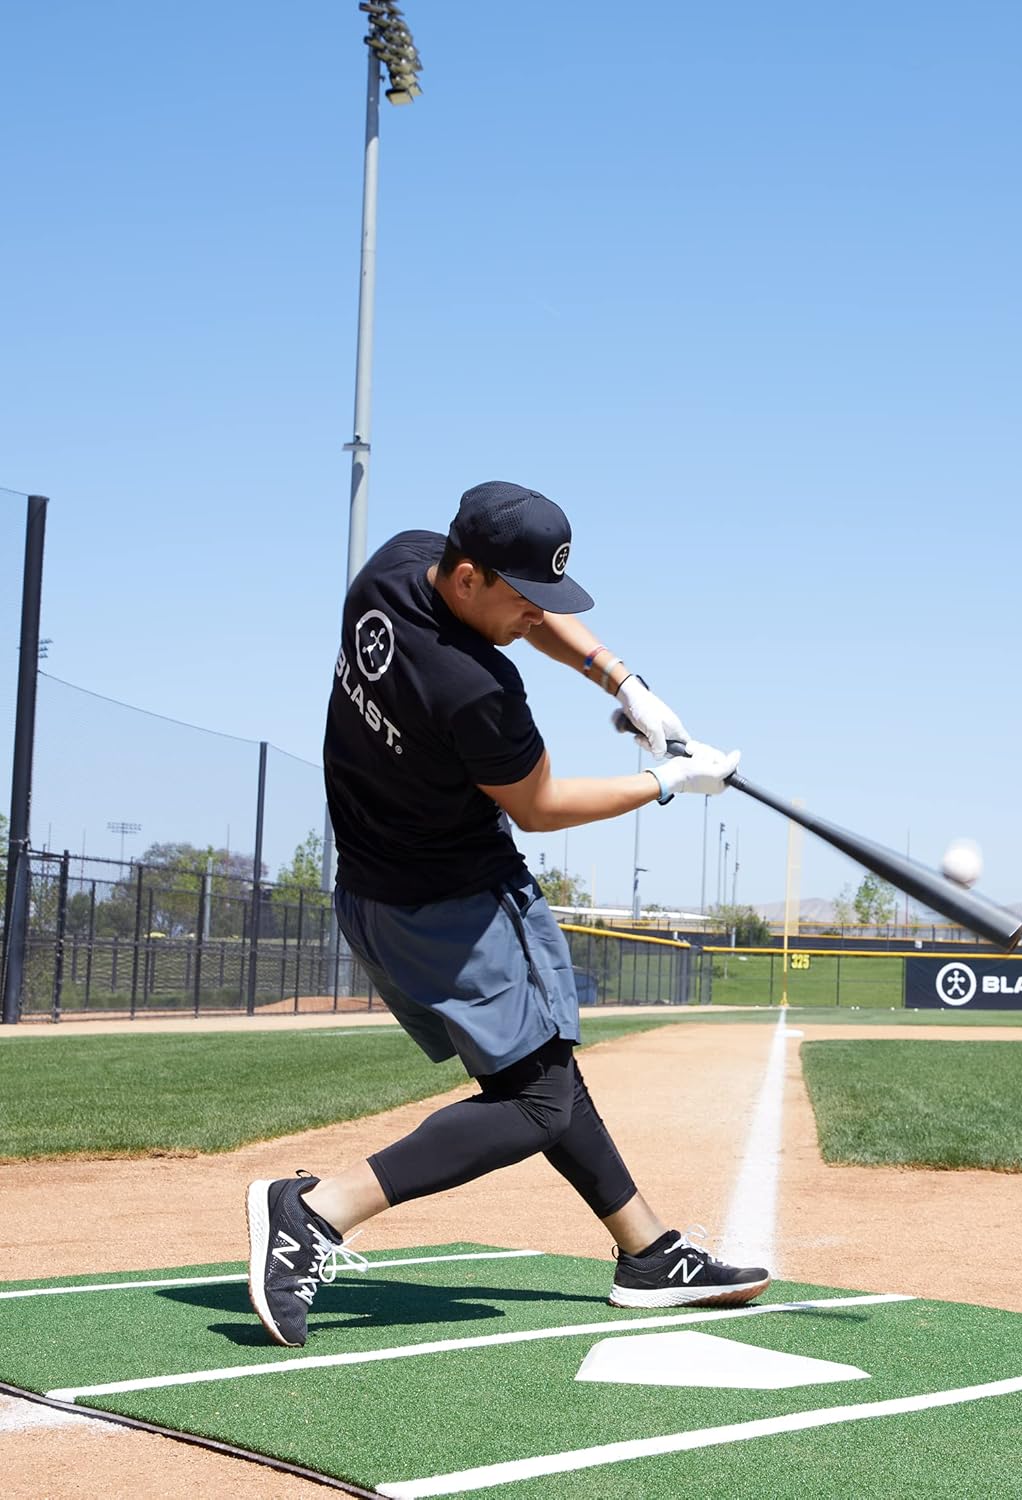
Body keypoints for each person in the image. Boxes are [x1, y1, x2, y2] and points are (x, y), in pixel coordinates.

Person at [245, 480, 765, 1348]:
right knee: (534, 1103)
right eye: (524, 600)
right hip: (456, 903)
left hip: (378, 890)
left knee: (544, 1070)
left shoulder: (397, 564)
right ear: (470, 578)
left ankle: (646, 1253)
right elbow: (542, 804)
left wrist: (624, 680)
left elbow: (539, 622)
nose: (536, 617)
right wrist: (667, 783)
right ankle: (315, 1212)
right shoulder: (476, 689)